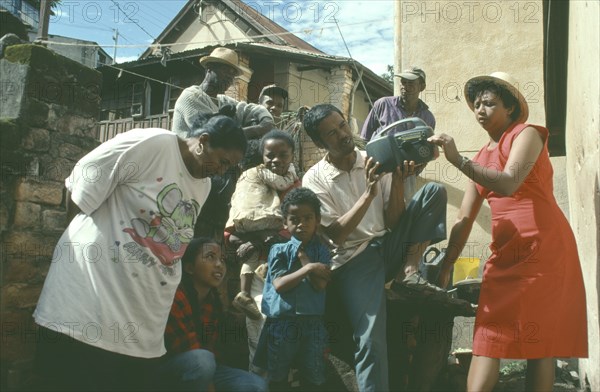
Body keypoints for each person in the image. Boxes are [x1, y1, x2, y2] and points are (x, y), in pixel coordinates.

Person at [33, 112, 247, 390]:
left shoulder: (203, 185)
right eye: (222, 161)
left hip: (140, 329)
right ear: (203, 141)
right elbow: (82, 187)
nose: (222, 171)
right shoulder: (154, 144)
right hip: (87, 310)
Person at [428, 72, 588, 392]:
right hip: (506, 253)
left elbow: (509, 181)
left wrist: (457, 160)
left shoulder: (527, 134)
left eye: (490, 103)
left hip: (543, 248)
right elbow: (464, 216)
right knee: (489, 335)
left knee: (538, 343)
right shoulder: (481, 158)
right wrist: (447, 263)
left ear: (511, 109)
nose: (480, 110)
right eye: (476, 104)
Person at [301, 104, 447, 391]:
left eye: (343, 125)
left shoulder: (376, 157)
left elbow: (393, 220)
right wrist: (368, 192)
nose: (343, 134)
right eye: (332, 133)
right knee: (370, 339)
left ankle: (409, 269)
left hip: (389, 244)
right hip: (355, 258)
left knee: (433, 192)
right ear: (320, 144)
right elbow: (336, 237)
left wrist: (399, 183)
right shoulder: (314, 178)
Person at [172, 46, 275, 239]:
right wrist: (256, 130)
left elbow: (249, 108)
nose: (229, 78)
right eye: (224, 71)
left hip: (212, 171)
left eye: (232, 74)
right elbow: (217, 134)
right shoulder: (191, 97)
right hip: (189, 172)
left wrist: (265, 120)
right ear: (209, 68)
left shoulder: (222, 101)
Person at [161, 237, 267, 391]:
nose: (219, 264)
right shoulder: (176, 296)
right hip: (174, 371)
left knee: (257, 385)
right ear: (190, 267)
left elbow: (209, 346)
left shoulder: (212, 301)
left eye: (222, 259)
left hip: (206, 368)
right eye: (210, 257)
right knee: (203, 361)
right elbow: (186, 348)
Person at [255, 187, 332, 391]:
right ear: (284, 222)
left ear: (317, 220)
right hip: (283, 323)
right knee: (278, 373)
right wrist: (308, 268)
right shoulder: (278, 250)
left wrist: (305, 260)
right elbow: (279, 284)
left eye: (308, 218)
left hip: (313, 323)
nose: (302, 224)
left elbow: (320, 284)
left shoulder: (322, 251)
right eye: (294, 219)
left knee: (314, 372)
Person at [226, 130, 300, 320]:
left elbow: (300, 230)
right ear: (262, 157)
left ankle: (245, 292)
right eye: (270, 155)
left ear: (293, 155)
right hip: (260, 258)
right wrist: (257, 239)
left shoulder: (299, 189)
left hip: (286, 266)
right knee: (261, 322)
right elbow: (231, 235)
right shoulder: (266, 177)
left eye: (283, 155)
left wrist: (258, 241)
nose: (276, 160)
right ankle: (247, 291)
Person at [360, 66, 435, 141]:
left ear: (422, 87)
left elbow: (427, 147)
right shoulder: (383, 104)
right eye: (403, 82)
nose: (405, 87)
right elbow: (364, 138)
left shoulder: (428, 118)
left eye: (411, 83)